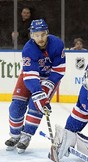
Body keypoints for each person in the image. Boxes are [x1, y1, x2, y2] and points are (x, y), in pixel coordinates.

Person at [5, 19, 66, 154]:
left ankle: (26, 135)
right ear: (32, 35)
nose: (40, 38)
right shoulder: (28, 49)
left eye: (43, 34)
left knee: (36, 105)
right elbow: (31, 76)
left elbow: (59, 70)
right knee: (16, 106)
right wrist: (38, 92)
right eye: (37, 35)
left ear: (47, 33)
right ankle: (15, 135)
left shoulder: (57, 44)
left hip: (49, 78)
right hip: (29, 77)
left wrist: (45, 90)